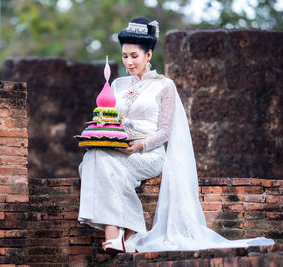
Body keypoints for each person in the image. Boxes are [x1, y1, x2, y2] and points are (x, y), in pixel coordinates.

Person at [78, 16, 274, 254]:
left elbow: (165, 131)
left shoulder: (164, 85)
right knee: (92, 158)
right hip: (117, 149)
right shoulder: (117, 84)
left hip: (148, 153)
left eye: (134, 56)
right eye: (124, 56)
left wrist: (138, 146)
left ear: (148, 55)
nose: (128, 61)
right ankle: (124, 232)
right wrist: (102, 136)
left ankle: (117, 231)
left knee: (102, 162)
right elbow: (110, 120)